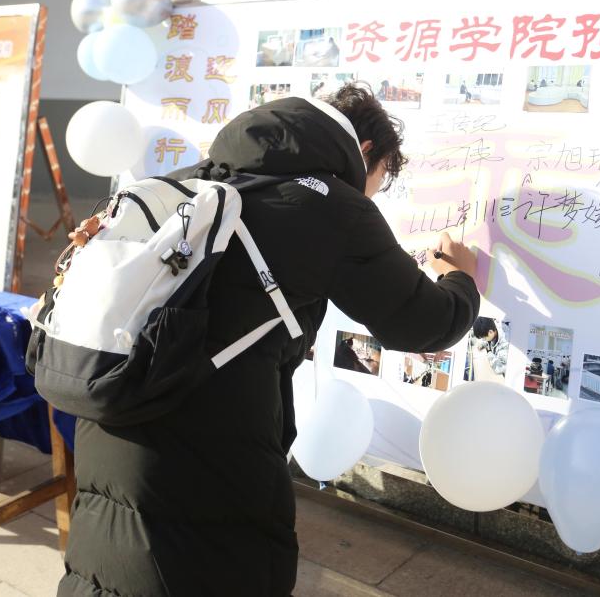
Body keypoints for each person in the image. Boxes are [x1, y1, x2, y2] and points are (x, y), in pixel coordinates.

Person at [57, 84, 480, 596]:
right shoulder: (331, 207)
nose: (373, 191)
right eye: (382, 177)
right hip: (214, 447)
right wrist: (460, 277)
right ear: (364, 151)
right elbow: (424, 322)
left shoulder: (187, 179)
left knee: (107, 569)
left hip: (116, 417)